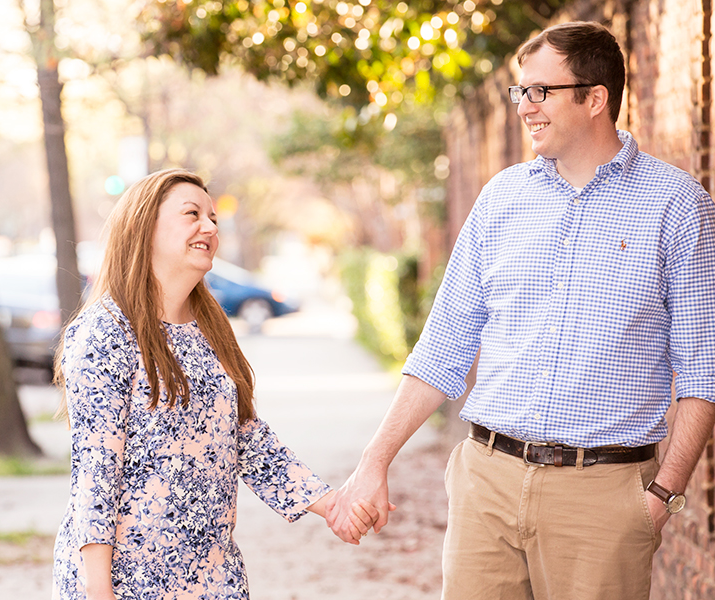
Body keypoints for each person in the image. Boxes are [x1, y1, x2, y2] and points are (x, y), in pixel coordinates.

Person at [326, 20, 715, 600]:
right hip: (487, 478)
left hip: (602, 497)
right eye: (520, 92)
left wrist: (661, 496)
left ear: (594, 98)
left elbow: (703, 370)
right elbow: (443, 346)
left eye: (541, 91)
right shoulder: (502, 197)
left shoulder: (677, 207)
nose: (525, 106)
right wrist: (374, 461)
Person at [51, 168, 372, 600]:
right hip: (128, 581)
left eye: (213, 218)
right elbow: (95, 475)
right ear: (145, 227)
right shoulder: (104, 332)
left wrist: (330, 503)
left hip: (212, 577)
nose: (209, 227)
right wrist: (99, 592)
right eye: (192, 214)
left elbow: (245, 438)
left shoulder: (210, 328)